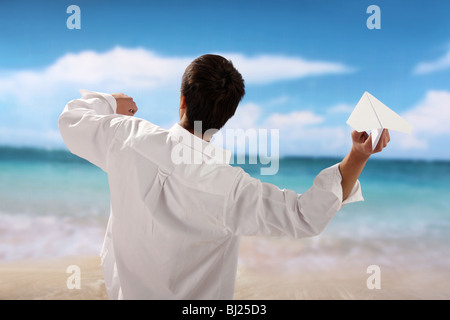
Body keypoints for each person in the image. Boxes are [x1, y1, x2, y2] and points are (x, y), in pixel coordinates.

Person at [58, 54, 390, 300]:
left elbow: (71, 119)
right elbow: (306, 217)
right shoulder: (232, 189)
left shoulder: (126, 138)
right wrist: (358, 156)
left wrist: (110, 101)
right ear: (227, 117)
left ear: (183, 100)